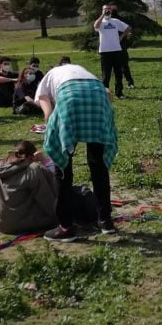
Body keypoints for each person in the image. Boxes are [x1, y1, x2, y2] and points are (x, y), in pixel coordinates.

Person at [35, 64, 119, 242]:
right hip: (99, 95)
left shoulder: (47, 79)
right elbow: (107, 93)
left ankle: (65, 226)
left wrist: (52, 126)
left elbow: (46, 108)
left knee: (63, 164)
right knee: (98, 163)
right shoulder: (81, 70)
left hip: (69, 96)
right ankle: (105, 221)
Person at [0, 141, 59, 234]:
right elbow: (46, 200)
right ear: (32, 157)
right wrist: (59, 217)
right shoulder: (33, 171)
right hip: (19, 224)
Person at [94, 3, 131, 99]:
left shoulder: (115, 21)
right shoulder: (100, 22)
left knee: (118, 73)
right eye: (105, 9)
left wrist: (121, 37)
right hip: (105, 51)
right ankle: (105, 94)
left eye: (109, 9)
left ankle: (119, 93)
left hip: (116, 50)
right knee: (106, 74)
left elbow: (128, 28)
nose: (107, 11)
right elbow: (95, 26)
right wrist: (102, 15)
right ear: (102, 10)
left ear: (111, 11)